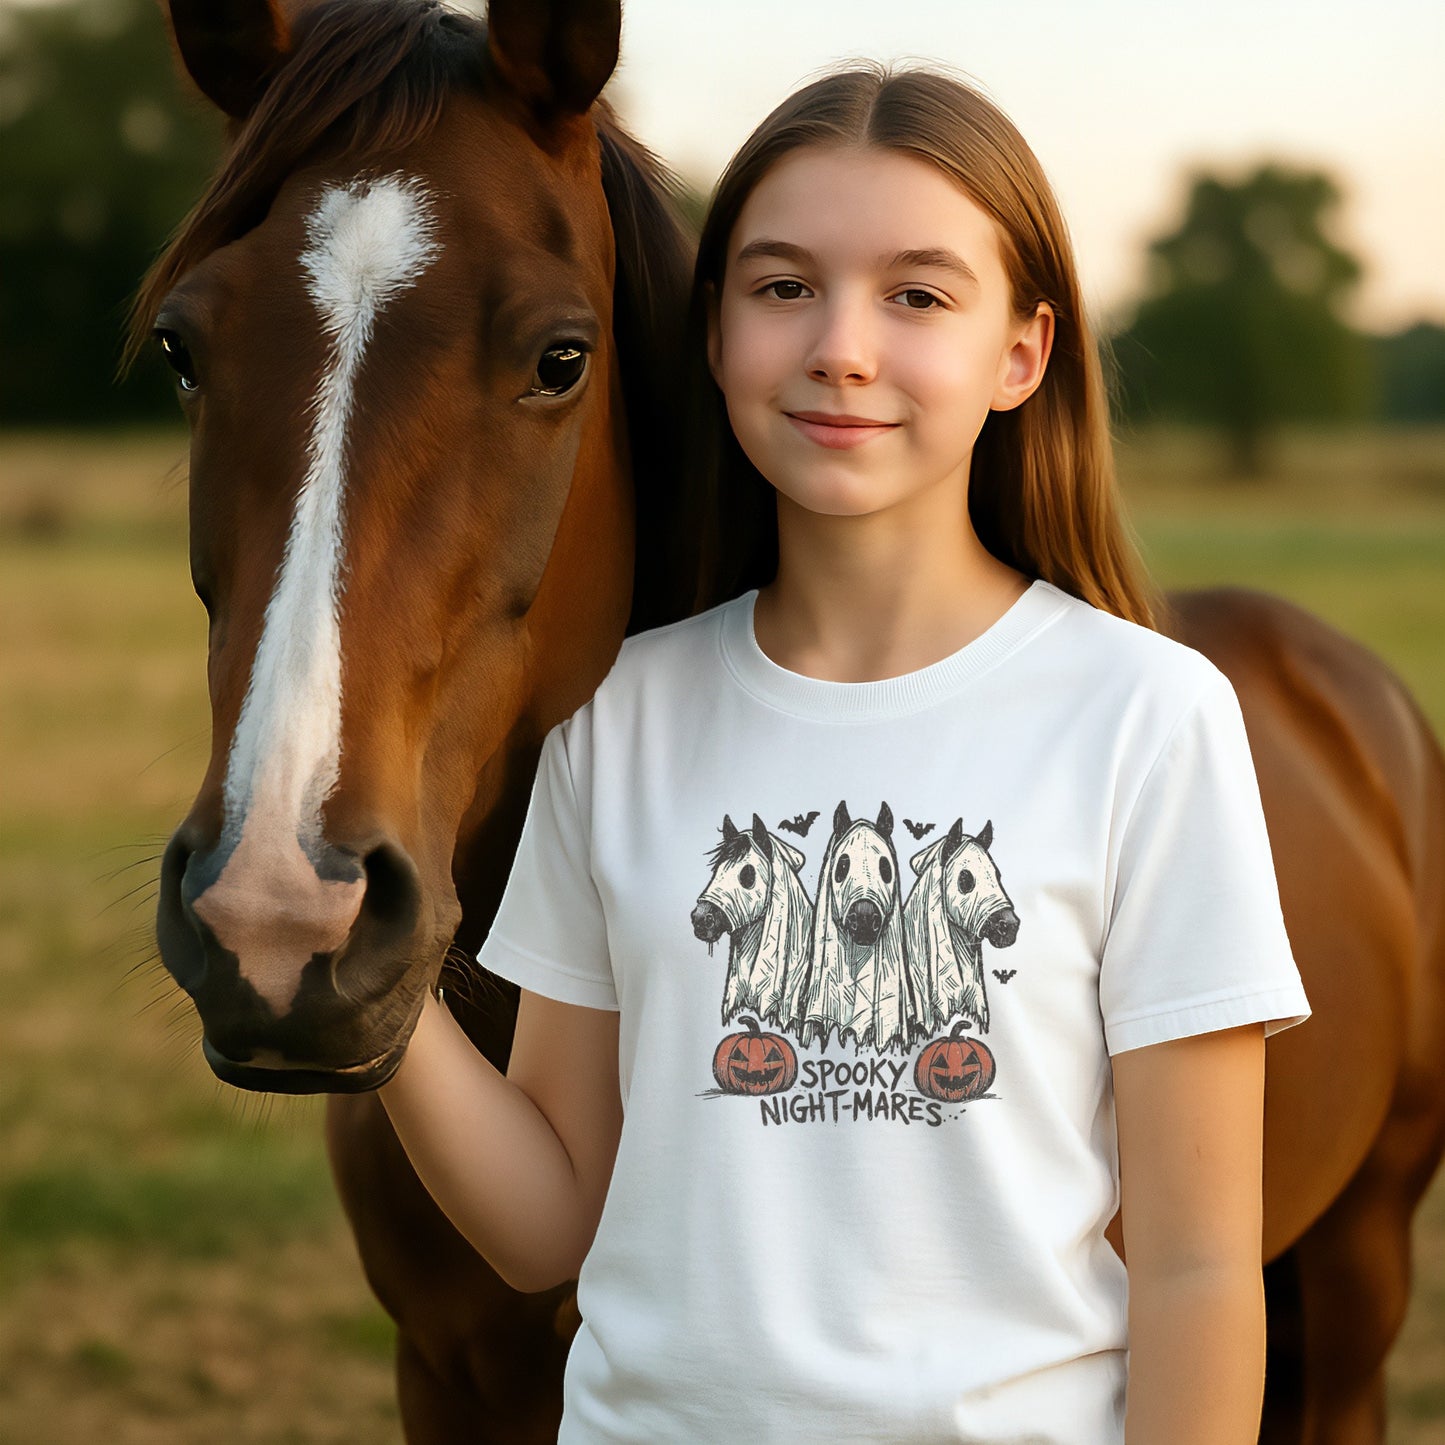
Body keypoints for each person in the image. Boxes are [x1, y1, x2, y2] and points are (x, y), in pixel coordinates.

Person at [379, 63, 1311, 1443]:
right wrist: (375, 986)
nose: (842, 347)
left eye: (917, 294)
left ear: (1022, 352)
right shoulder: (614, 717)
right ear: (712, 333)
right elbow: (546, 1221)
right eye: (780, 285)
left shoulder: (1145, 718)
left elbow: (1194, 1269)